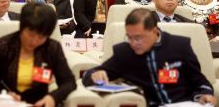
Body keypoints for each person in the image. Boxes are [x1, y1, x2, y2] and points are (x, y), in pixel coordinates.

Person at [82, 8, 217, 107]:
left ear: (154, 31)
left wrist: (205, 94)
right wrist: (95, 75)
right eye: (129, 37)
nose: (133, 43)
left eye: (138, 38)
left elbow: (200, 81)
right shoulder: (124, 53)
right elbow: (90, 75)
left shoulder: (180, 46)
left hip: (184, 103)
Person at [0, 2, 76, 106]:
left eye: (41, 37)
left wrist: (52, 97)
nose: (34, 41)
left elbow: (69, 82)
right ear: (22, 27)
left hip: (38, 103)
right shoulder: (2, 46)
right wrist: (3, 94)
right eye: (31, 35)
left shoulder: (52, 48)